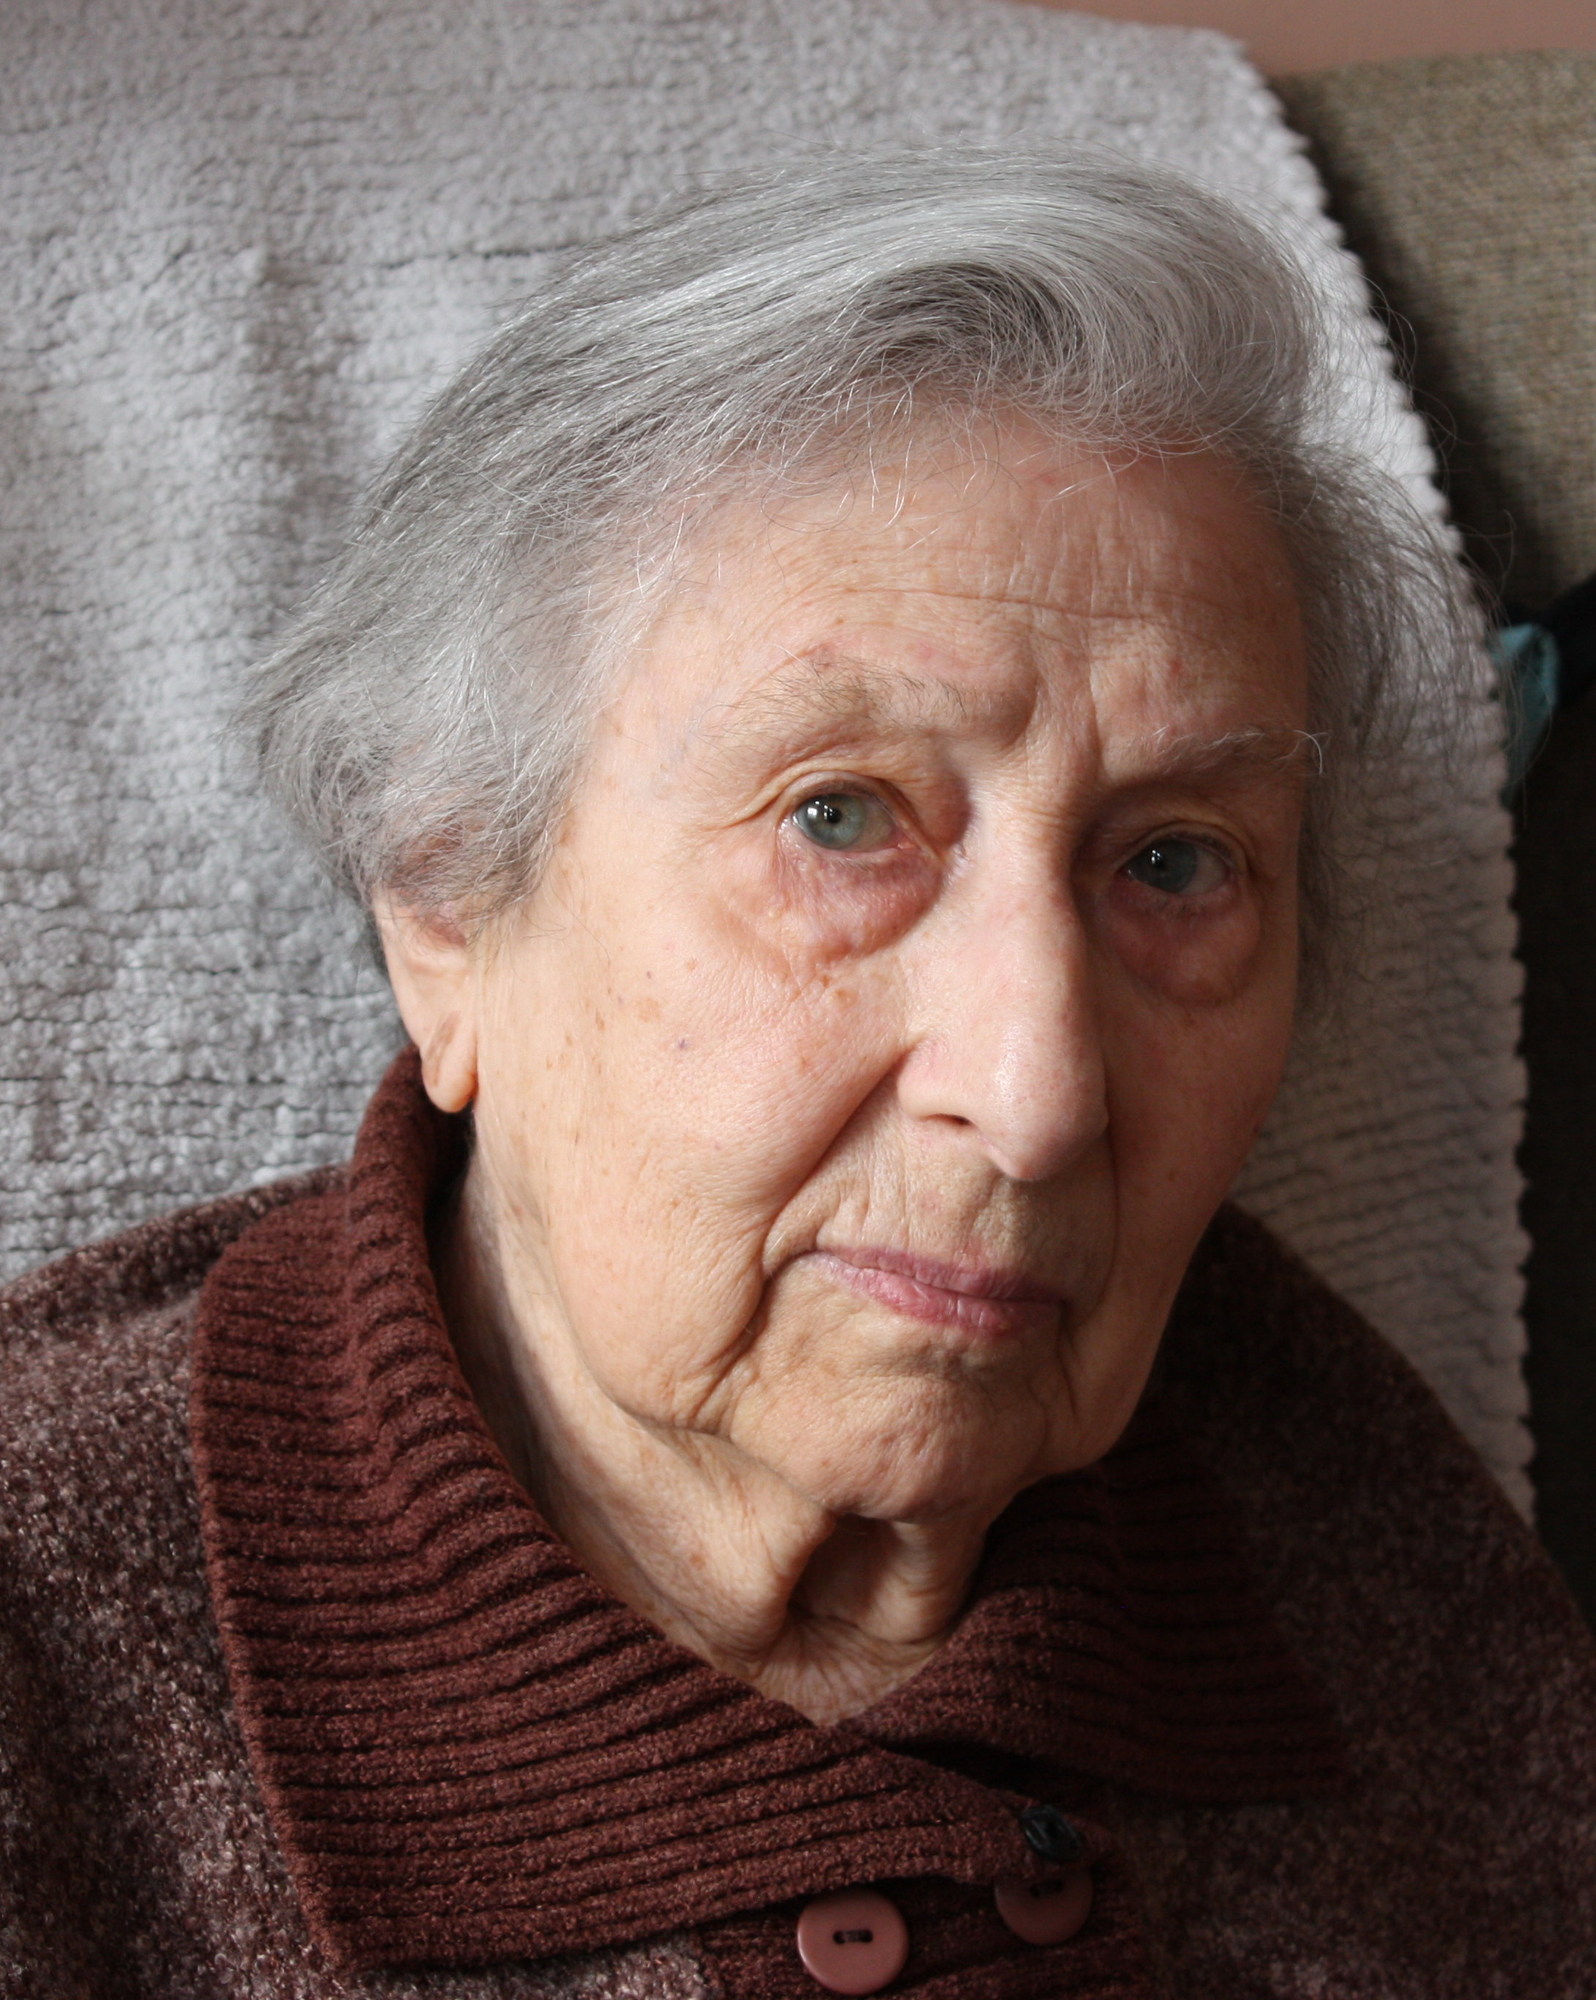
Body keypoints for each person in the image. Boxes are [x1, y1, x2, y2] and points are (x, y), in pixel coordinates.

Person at [2, 152, 1592, 2000]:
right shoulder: (50, 1656)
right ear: (444, 905)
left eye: (1175, 862)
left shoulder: (1345, 1534)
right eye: (840, 819)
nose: (1040, 1097)